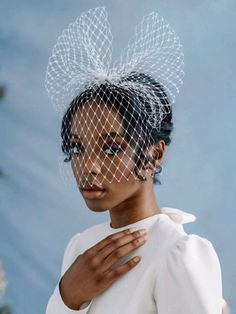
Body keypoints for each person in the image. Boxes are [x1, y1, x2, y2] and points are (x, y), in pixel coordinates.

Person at [45, 7, 222, 313]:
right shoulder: (80, 247)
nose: (89, 166)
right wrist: (66, 298)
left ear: (154, 155)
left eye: (111, 148)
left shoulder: (177, 253)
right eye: (76, 148)